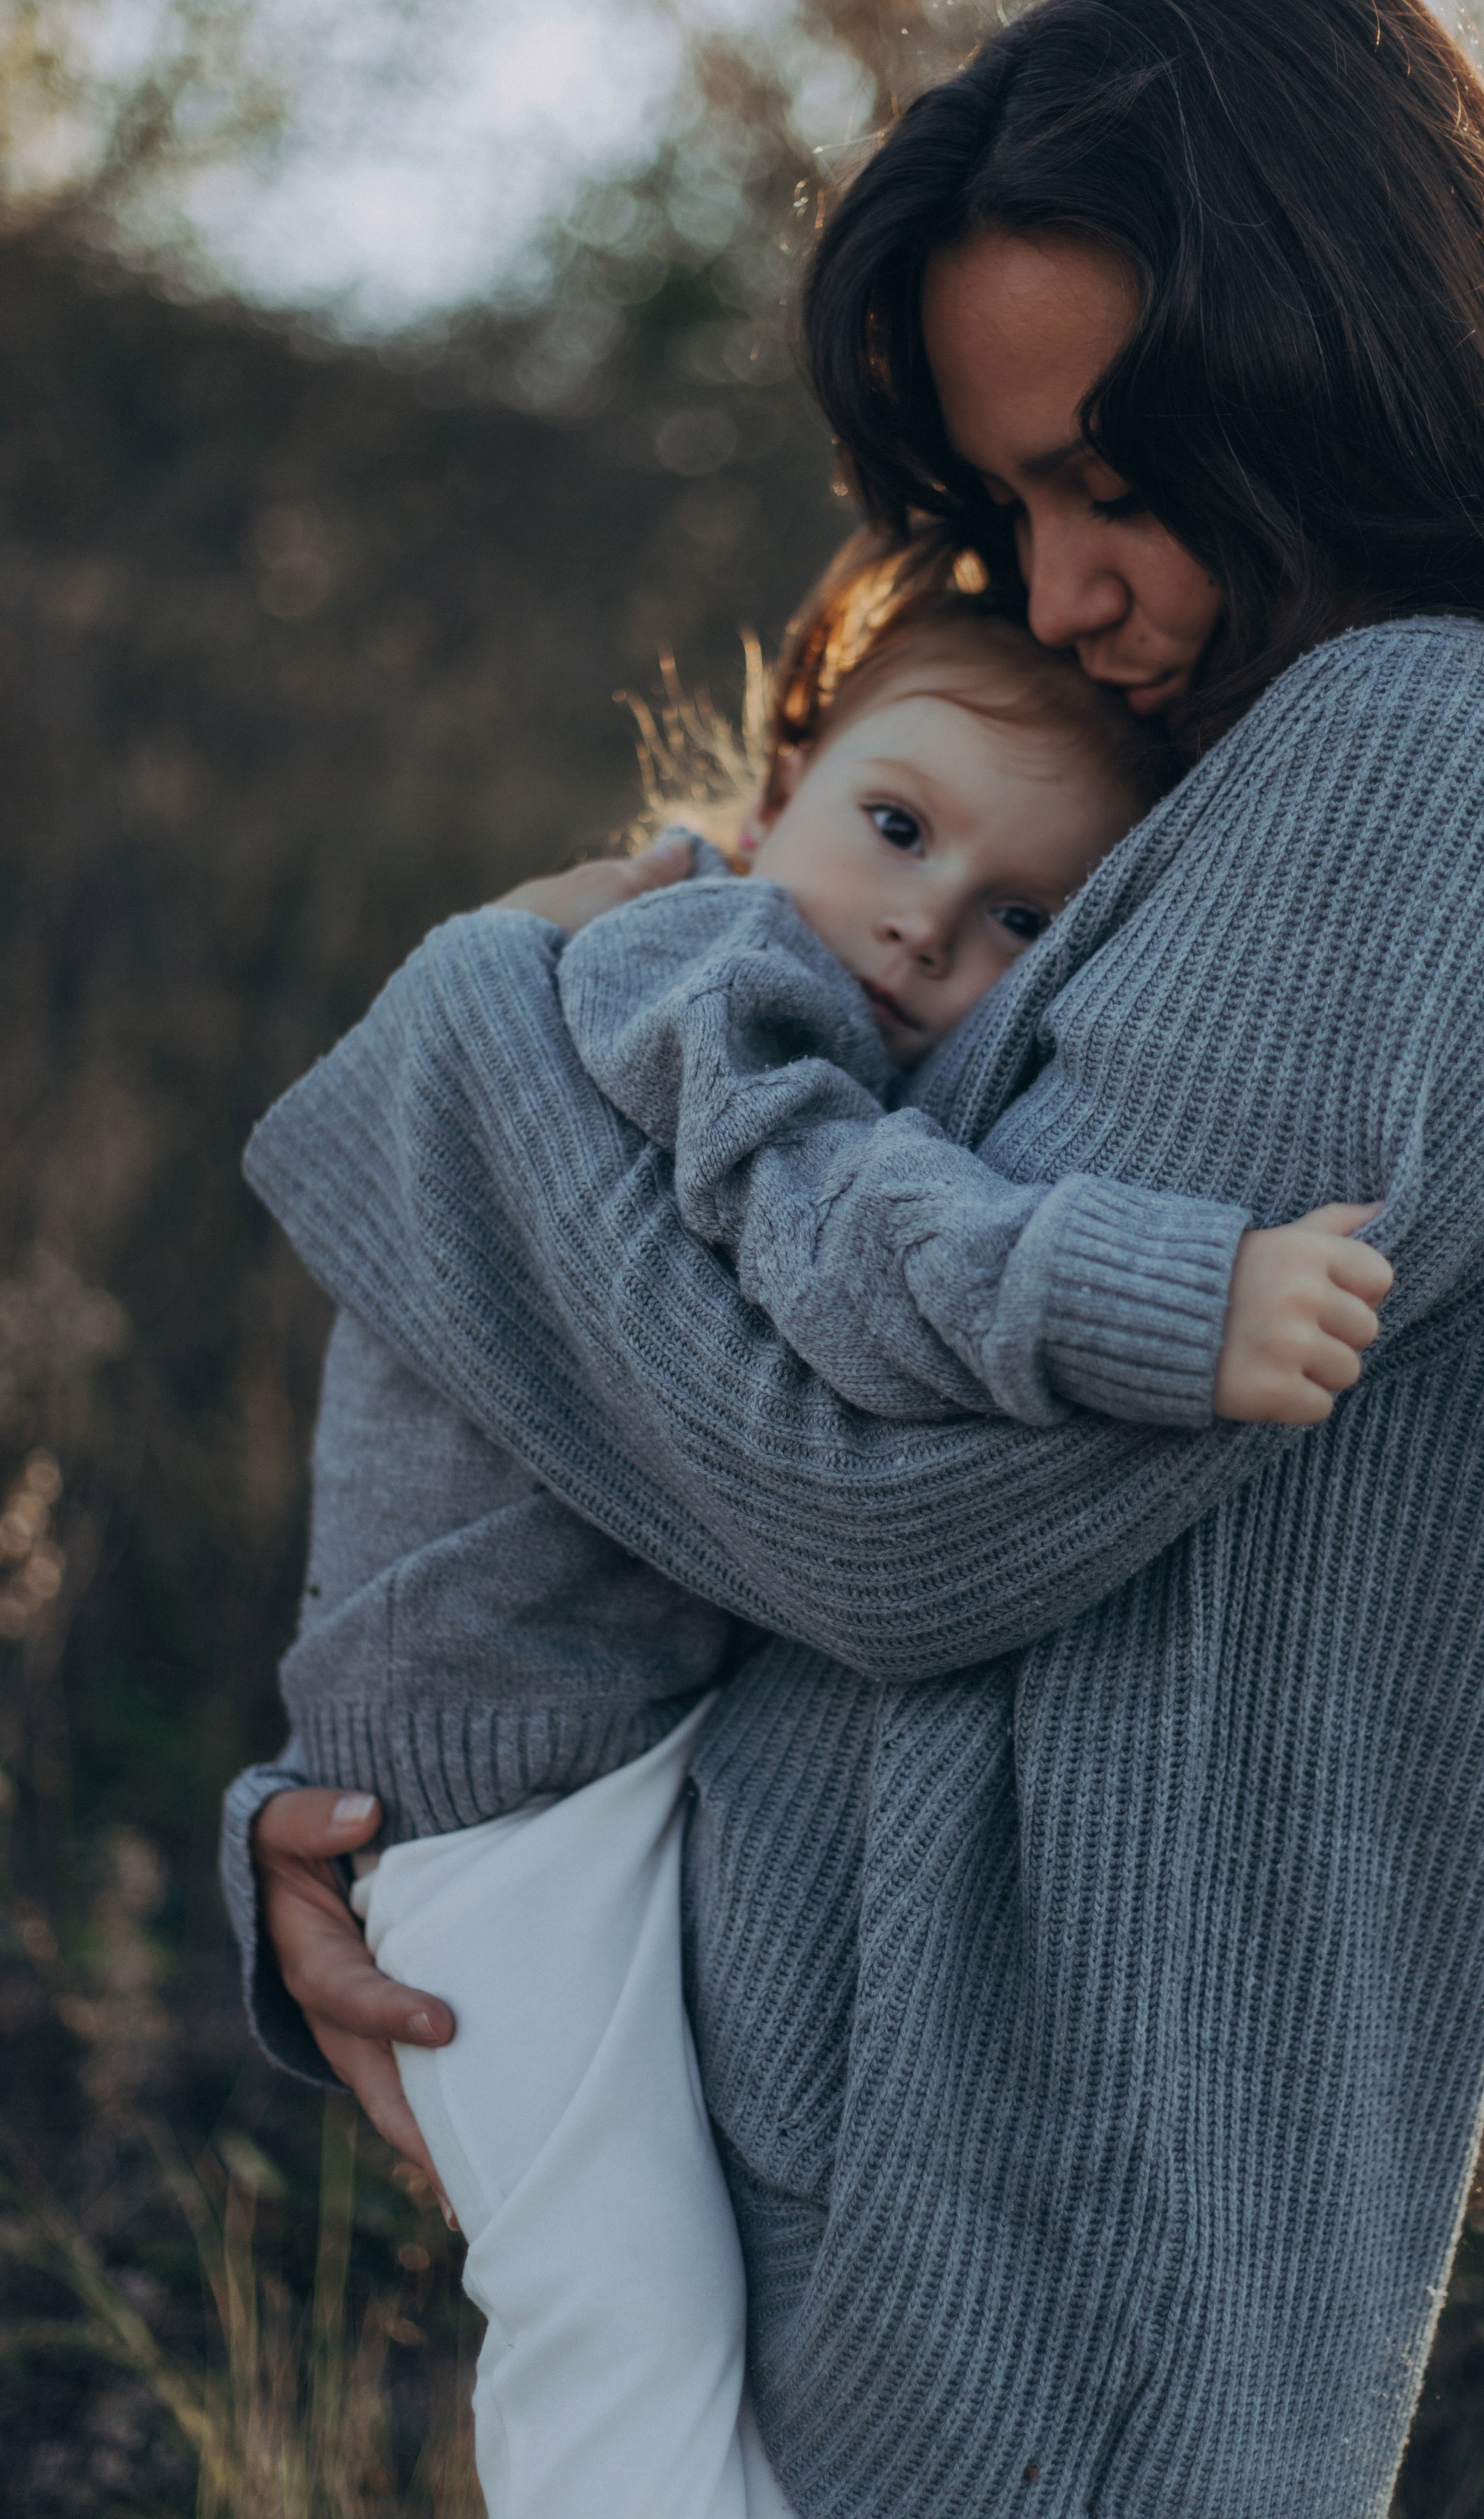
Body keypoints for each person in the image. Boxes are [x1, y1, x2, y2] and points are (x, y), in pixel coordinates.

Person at [223, 0, 1484, 2516]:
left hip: (1042, 2310)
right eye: (1008, 502)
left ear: (1341, 385)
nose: (1053, 596)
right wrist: (423, 1767)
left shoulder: (1430, 753)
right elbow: (770, 1376)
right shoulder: (1223, 792)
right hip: (902, 2247)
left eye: (1116, 486)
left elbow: (892, 1508)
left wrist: (479, 1024)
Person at [250, 524, 1391, 2519]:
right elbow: (841, 1235)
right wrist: (1169, 1297)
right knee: (611, 2322)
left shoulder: (768, 972)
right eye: (893, 824)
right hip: (501, 1803)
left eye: (1027, 919)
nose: (925, 929)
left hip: (596, 1753)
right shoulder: (708, 968)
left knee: (688, 2326)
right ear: (773, 798)